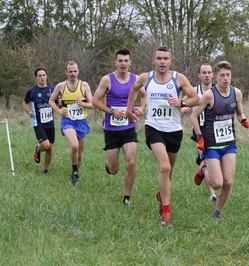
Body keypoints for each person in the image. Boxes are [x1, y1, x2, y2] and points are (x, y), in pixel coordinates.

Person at [126, 46, 200, 227]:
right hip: (153, 127)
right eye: (159, 58)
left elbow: (196, 99)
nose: (162, 62)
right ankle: (166, 213)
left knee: (170, 171)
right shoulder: (146, 78)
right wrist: (130, 110)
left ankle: (161, 195)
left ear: (170, 61)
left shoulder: (178, 78)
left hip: (174, 129)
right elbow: (133, 89)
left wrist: (181, 102)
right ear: (153, 61)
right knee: (165, 167)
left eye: (165, 58)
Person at [190, 61, 249, 219]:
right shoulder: (209, 95)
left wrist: (243, 119)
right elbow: (194, 116)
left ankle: (217, 212)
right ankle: (204, 169)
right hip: (212, 144)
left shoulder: (236, 93)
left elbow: (240, 112)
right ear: (215, 77)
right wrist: (199, 137)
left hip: (229, 143)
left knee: (228, 182)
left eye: (228, 75)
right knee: (217, 183)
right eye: (222, 75)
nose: (226, 79)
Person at [92, 48, 147, 207]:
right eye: (120, 61)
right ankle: (110, 166)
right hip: (111, 130)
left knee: (131, 162)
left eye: (126, 61)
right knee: (114, 169)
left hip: (129, 128)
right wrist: (110, 111)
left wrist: (141, 108)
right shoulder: (107, 80)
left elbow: (144, 96)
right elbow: (95, 101)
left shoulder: (136, 79)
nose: (123, 64)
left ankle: (127, 198)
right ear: (116, 62)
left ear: (130, 63)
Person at [49, 61, 93, 185]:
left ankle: (75, 171)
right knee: (74, 146)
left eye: (75, 71)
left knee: (79, 153)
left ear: (78, 71)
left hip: (82, 122)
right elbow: (51, 101)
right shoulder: (61, 86)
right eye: (70, 71)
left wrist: (82, 104)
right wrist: (58, 110)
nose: (73, 74)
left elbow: (92, 104)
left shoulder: (84, 85)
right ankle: (74, 171)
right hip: (68, 121)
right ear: (66, 72)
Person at [182, 63, 217, 202]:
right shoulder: (194, 91)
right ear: (199, 75)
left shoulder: (216, 91)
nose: (207, 75)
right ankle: (212, 194)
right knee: (206, 161)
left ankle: (202, 169)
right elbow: (183, 103)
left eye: (209, 72)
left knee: (214, 161)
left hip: (214, 130)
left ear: (213, 75)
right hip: (199, 130)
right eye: (204, 72)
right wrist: (183, 109)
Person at [22, 67, 55, 174]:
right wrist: (29, 112)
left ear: (47, 76)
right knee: (45, 145)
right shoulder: (32, 91)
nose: (42, 77)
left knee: (50, 148)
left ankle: (45, 169)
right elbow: (24, 103)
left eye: (44, 75)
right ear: (36, 78)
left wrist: (59, 103)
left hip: (50, 122)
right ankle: (38, 148)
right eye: (40, 76)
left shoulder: (52, 90)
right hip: (38, 123)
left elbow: (58, 102)